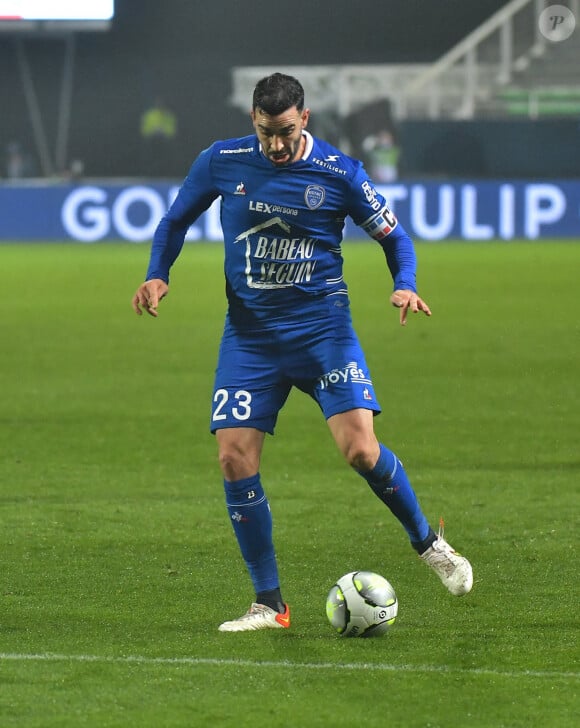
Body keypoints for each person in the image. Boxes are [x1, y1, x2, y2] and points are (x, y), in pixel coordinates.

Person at [132, 73, 473, 632]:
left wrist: (405, 281)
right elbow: (175, 221)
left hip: (324, 333)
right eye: (266, 132)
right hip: (250, 338)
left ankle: (429, 544)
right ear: (253, 121)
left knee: (361, 452)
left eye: (286, 131)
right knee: (233, 458)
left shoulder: (340, 173)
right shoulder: (222, 160)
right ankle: (270, 604)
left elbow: (394, 236)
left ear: (305, 119)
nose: (276, 145)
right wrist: (157, 275)